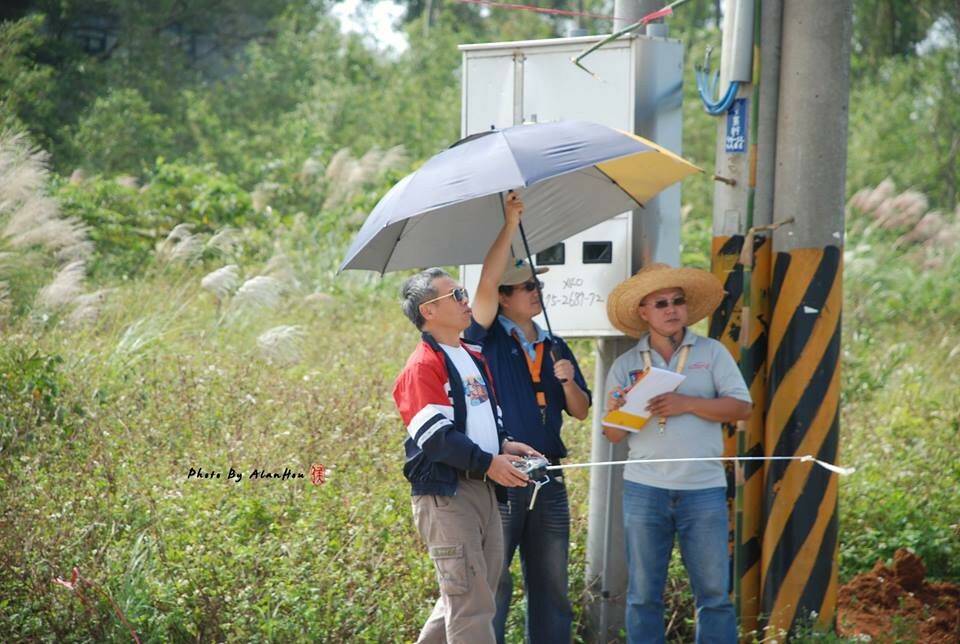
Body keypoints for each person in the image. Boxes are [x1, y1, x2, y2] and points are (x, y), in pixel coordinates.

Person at [602, 263, 752, 644]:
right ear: (643, 312)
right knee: (642, 596)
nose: (672, 309)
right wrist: (626, 407)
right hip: (645, 489)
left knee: (715, 595)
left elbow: (741, 408)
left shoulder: (712, 353)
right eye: (661, 303)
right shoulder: (626, 365)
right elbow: (612, 433)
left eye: (678, 301)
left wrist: (687, 403)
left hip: (703, 489)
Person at [465, 192, 591, 643]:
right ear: (503, 296)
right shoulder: (483, 339)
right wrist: (510, 222)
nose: (539, 292)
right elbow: (484, 283)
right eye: (529, 287)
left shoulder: (555, 344)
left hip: (549, 476)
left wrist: (568, 381)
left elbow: (580, 411)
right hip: (502, 475)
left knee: (553, 583)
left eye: (538, 286)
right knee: (496, 583)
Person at [394, 264, 541, 644]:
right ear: (429, 311)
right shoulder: (421, 366)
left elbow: (485, 418)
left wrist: (504, 444)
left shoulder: (472, 356)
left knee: (468, 598)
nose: (466, 301)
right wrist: (490, 462)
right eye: (455, 295)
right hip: (448, 495)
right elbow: (437, 438)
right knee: (470, 604)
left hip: (484, 490)